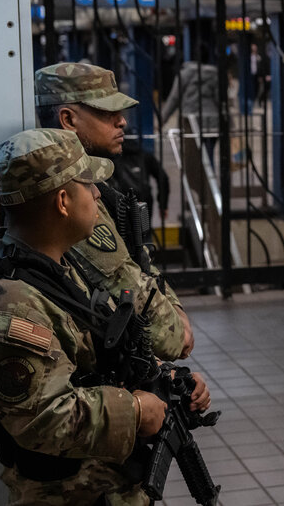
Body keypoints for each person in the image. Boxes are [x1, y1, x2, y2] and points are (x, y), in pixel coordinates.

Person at [0, 128, 211, 505]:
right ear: (63, 200)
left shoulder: (60, 270)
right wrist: (137, 411)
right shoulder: (11, 301)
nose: (96, 194)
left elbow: (96, 355)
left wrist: (166, 380)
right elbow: (37, 416)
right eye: (88, 184)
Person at [35, 62, 194, 361]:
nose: (121, 122)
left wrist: (176, 312)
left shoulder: (99, 184)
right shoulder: (66, 194)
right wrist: (176, 330)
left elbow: (140, 263)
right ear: (68, 119)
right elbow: (118, 275)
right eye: (107, 113)